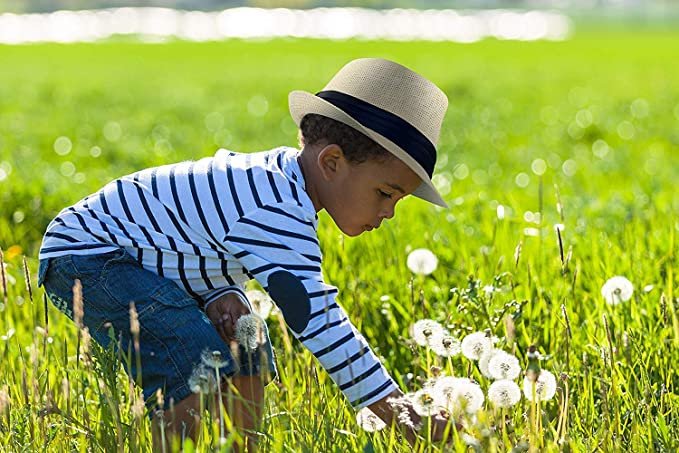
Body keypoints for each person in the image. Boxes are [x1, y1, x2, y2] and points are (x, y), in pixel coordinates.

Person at [38, 57, 453, 450]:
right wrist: (396, 410)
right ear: (331, 162)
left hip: (136, 254)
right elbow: (317, 319)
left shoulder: (279, 183)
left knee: (247, 339)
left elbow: (194, 233)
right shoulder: (279, 206)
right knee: (196, 355)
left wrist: (220, 290)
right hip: (90, 255)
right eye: (385, 193)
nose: (388, 213)